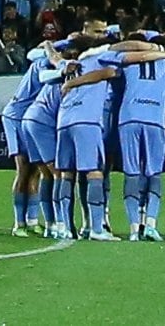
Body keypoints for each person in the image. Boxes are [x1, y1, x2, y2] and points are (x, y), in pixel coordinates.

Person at [109, 35, 165, 243]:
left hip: (129, 118)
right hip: (156, 119)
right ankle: (151, 225)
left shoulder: (123, 58)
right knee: (154, 174)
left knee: (132, 173)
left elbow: (106, 57)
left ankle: (134, 229)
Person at [52, 38, 115, 243]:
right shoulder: (100, 59)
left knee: (66, 174)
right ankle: (96, 228)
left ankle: (65, 228)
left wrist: (47, 45)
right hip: (87, 121)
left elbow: (52, 57)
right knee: (94, 172)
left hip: (64, 121)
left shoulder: (67, 65)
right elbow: (110, 73)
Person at [5, 44, 63, 236]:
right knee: (24, 170)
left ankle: (32, 220)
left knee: (38, 170)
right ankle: (18, 224)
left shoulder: (44, 57)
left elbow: (31, 52)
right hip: (16, 116)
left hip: (31, 118)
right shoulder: (44, 64)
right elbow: (41, 76)